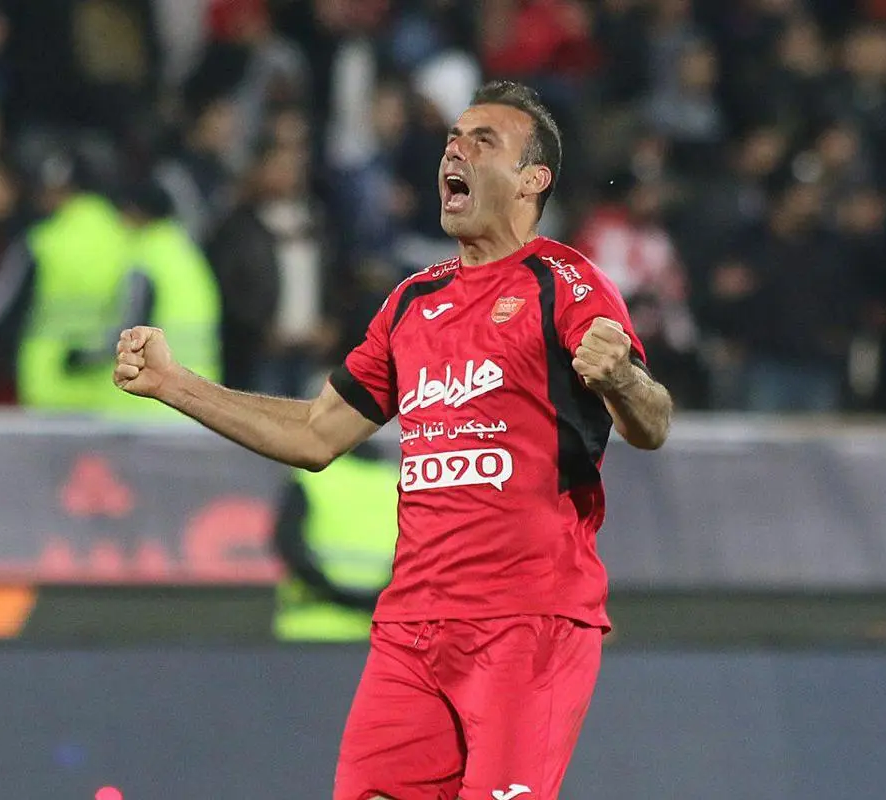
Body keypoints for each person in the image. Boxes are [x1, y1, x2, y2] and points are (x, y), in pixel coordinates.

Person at [112, 80, 673, 800]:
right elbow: (316, 434)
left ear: (533, 180)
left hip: (526, 622)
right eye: (452, 139)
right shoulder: (413, 302)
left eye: (482, 142)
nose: (455, 151)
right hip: (412, 629)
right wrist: (174, 384)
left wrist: (622, 378)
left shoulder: (564, 282)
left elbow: (652, 424)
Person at [272, 440, 399, 642]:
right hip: (375, 632)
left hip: (309, 626)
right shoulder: (397, 483)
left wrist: (333, 594)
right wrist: (371, 600)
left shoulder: (313, 476)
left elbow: (287, 543)